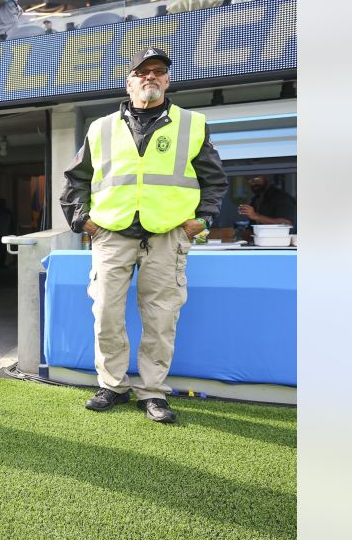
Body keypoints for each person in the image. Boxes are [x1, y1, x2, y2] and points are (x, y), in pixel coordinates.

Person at [60, 47, 229, 424]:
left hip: (168, 234)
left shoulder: (192, 124)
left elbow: (214, 180)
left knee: (160, 317)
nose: (150, 77)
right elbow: (76, 180)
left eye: (158, 72)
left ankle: (152, 392)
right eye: (143, 72)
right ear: (129, 81)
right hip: (111, 234)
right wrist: (83, 222)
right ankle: (112, 385)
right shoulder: (101, 127)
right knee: (105, 312)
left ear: (167, 81)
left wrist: (200, 221)